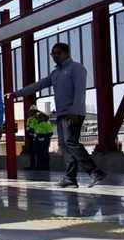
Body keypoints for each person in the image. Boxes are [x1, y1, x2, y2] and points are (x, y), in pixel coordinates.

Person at [12, 42, 107, 188]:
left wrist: (75, 112)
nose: (55, 56)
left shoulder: (77, 68)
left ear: (66, 53)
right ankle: (70, 178)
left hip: (73, 113)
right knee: (64, 145)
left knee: (71, 143)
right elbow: (39, 85)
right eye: (53, 54)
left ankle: (95, 172)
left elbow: (80, 92)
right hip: (62, 115)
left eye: (58, 53)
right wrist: (16, 94)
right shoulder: (55, 73)